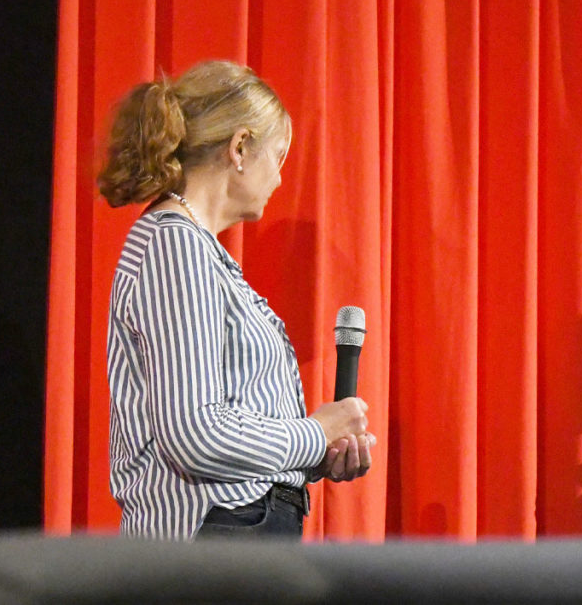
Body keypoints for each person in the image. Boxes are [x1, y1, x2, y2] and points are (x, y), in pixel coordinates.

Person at [98, 60, 375, 540]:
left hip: (238, 532)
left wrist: (317, 453)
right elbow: (194, 433)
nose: (280, 180)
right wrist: (315, 433)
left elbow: (224, 423)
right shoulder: (174, 246)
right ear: (241, 148)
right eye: (279, 157)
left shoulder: (199, 253)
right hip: (209, 539)